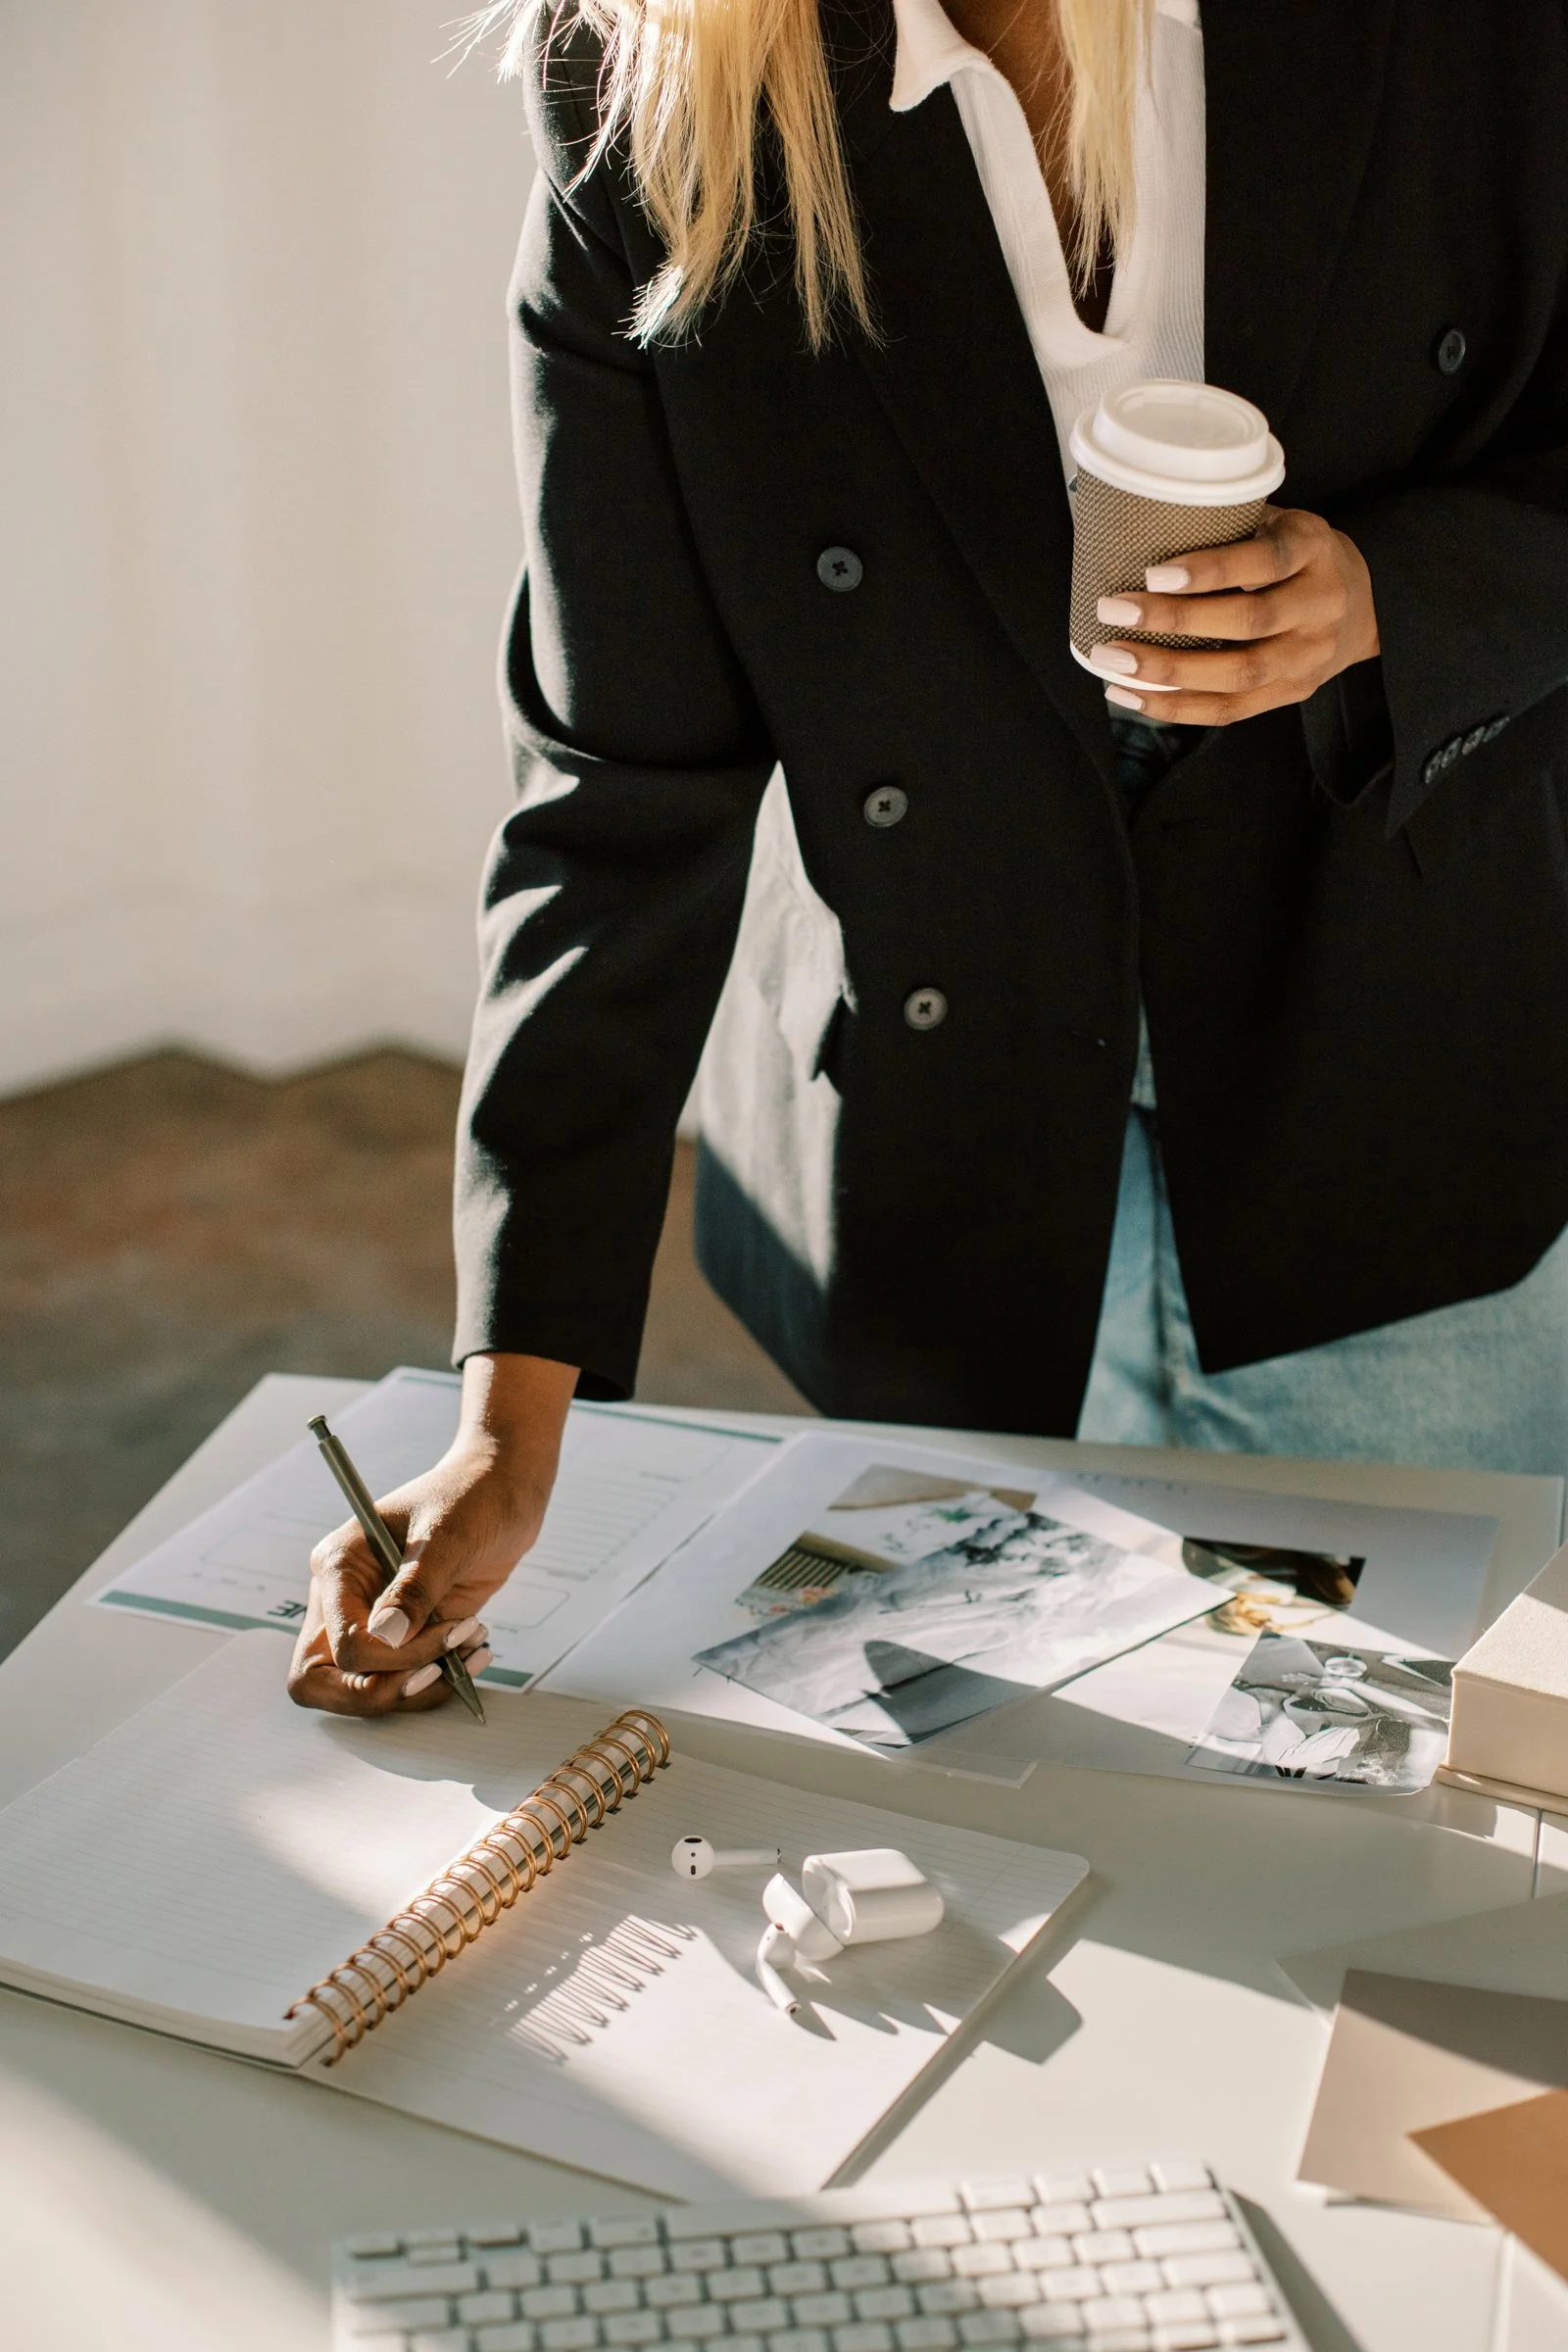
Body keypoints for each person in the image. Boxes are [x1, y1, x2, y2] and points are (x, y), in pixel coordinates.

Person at [288, 0, 1568, 1714]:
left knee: (1432, 1781)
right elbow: (614, 792)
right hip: (944, 1126)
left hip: (1393, 1057)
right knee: (1035, 1821)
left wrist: (1400, 602)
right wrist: (510, 1418)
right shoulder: (645, 90)